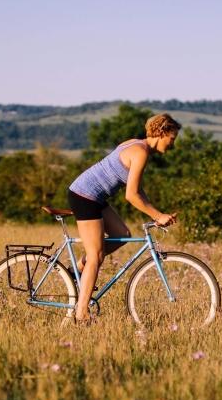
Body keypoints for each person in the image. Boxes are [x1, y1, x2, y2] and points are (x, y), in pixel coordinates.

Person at [67, 113, 181, 324]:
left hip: (95, 196)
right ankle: (81, 313)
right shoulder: (140, 152)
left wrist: (156, 214)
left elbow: (137, 189)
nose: (172, 144)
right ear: (162, 133)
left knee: (122, 234)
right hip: (85, 196)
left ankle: (77, 269)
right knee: (96, 256)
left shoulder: (136, 144)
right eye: (172, 139)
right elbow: (131, 195)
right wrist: (158, 215)